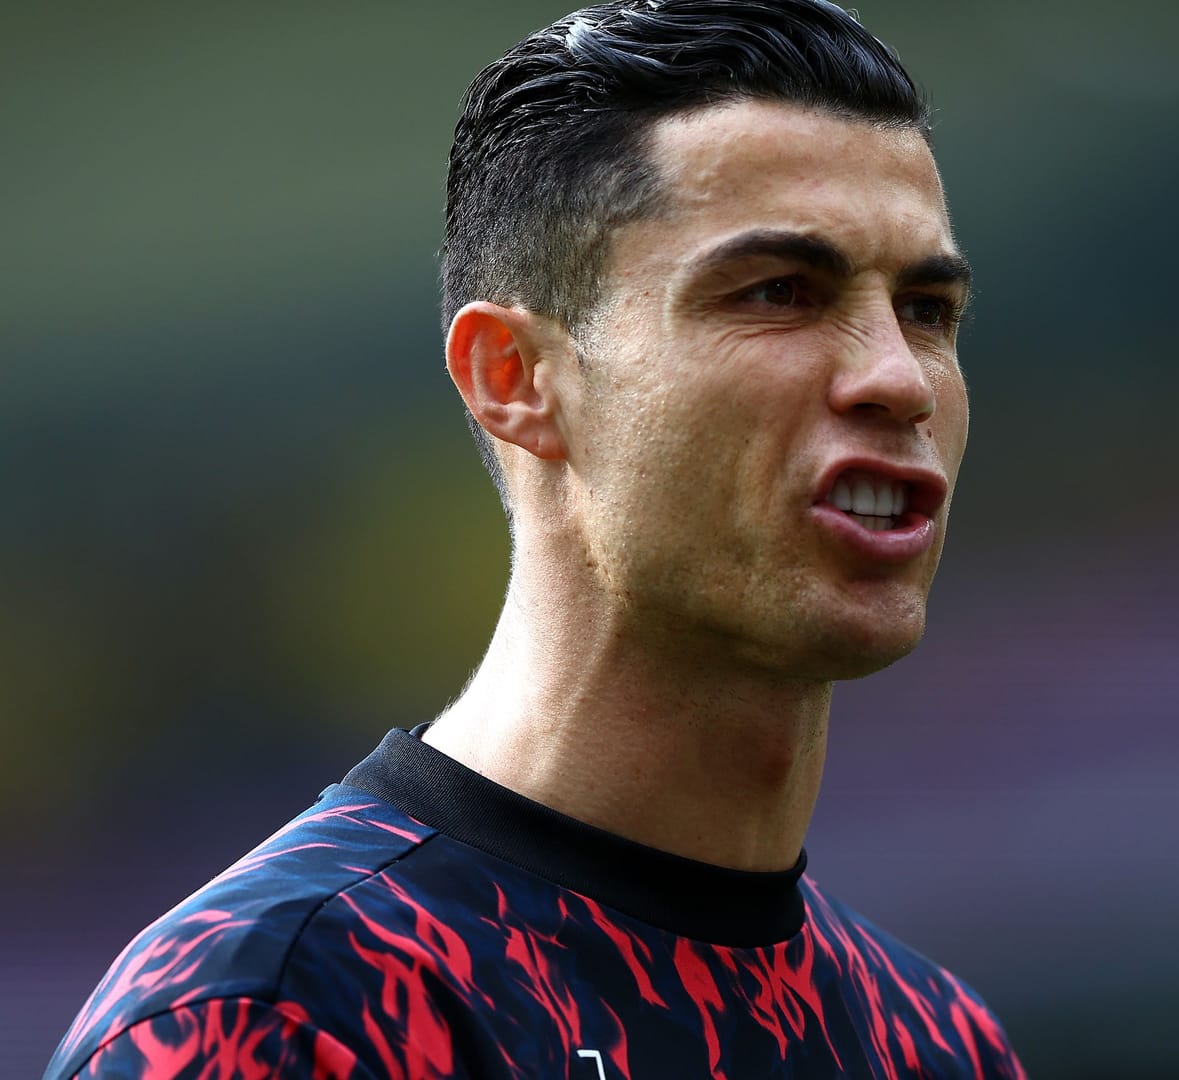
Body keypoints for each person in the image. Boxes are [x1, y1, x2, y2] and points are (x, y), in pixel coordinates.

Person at [45, 2, 1025, 1076]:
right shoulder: (282, 1013)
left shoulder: (936, 1042)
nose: (895, 376)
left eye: (929, 310)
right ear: (515, 380)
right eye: (780, 293)